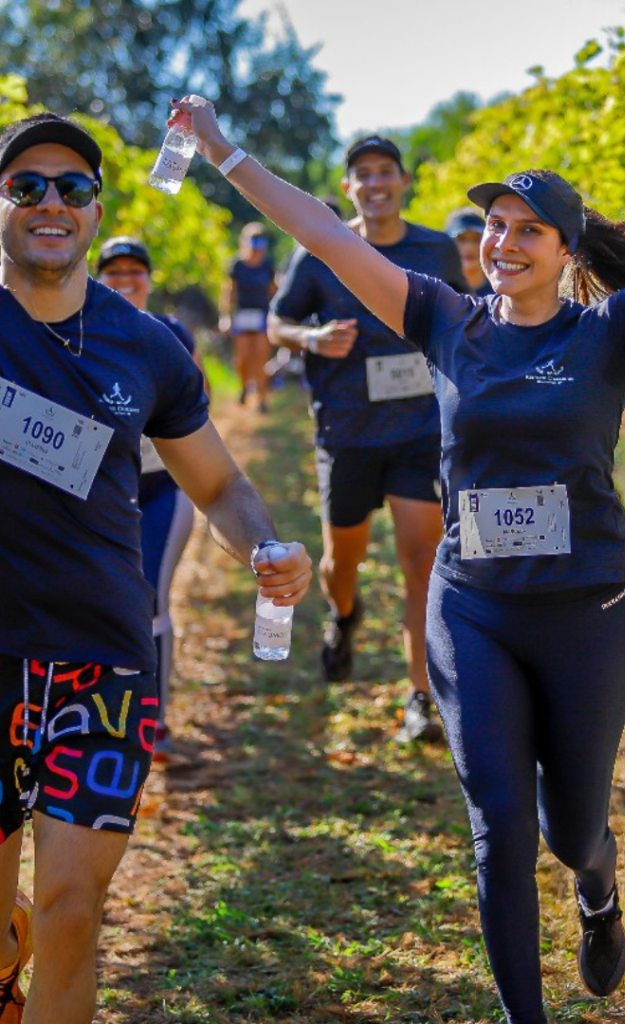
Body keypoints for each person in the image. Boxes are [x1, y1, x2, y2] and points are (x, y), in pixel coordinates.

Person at [173, 92, 625, 1024]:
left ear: (566, 252)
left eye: (529, 230)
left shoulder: (611, 330)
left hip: (585, 612)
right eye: (495, 226)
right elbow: (327, 235)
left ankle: (598, 888)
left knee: (570, 826)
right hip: (475, 610)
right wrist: (223, 151)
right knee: (498, 829)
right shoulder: (445, 320)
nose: (503, 242)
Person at [0, 111, 312, 1023]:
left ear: (97, 210)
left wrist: (262, 544)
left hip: (102, 661)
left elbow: (217, 484)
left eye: (73, 187)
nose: (50, 202)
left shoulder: (148, 347)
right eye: (26, 186)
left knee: (71, 911)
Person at [268, 134, 467, 742]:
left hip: (417, 430)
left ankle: (419, 699)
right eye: (364, 175)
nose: (376, 183)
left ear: (404, 182)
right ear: (349, 187)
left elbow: (457, 323)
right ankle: (343, 614)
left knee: (421, 560)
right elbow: (277, 324)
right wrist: (312, 338)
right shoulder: (321, 251)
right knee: (343, 561)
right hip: (347, 429)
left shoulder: (435, 249)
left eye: (387, 172)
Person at [96, 235, 208, 761]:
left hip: (163, 488)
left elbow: (198, 402)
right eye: (112, 271)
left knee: (151, 600)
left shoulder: (172, 334)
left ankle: (152, 719)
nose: (124, 280)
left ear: (149, 278)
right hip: (98, 495)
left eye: (134, 271)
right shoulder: (76, 330)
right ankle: (99, 712)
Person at [220, 221, 276, 413]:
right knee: (243, 358)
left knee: (261, 356)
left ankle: (262, 399)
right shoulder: (237, 265)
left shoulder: (267, 265)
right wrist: (226, 317)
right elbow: (230, 291)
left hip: (262, 315)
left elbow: (273, 290)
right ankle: (244, 387)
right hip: (242, 315)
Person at [444, 206, 492, 296]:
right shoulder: (437, 293)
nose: (470, 247)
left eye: (477, 239)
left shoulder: (503, 293)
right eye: (461, 239)